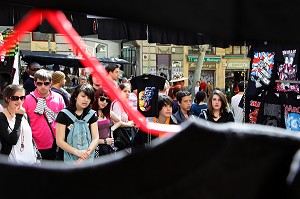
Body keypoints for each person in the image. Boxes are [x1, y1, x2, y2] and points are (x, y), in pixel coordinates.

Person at [22, 69, 66, 161]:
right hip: (33, 144)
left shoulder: (58, 98)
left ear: (51, 83)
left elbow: (63, 120)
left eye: (46, 83)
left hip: (54, 144)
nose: (43, 86)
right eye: (39, 83)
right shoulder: (27, 100)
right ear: (35, 83)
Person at [55, 83, 99, 164]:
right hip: (66, 160)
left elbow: (95, 138)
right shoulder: (63, 114)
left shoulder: (92, 114)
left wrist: (86, 154)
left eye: (89, 98)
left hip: (87, 158)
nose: (86, 100)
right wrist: (78, 153)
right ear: (75, 96)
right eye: (83, 96)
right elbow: (59, 141)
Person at [0, 84, 40, 165]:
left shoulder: (24, 115)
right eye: (15, 98)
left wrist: (38, 155)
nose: (19, 101)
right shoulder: (2, 117)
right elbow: (12, 140)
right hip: (14, 166)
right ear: (7, 99)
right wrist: (19, 117)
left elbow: (29, 136)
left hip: (32, 163)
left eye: (22, 98)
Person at [91, 88, 124, 157]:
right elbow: (89, 138)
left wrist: (111, 129)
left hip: (109, 148)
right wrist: (105, 141)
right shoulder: (90, 114)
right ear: (96, 98)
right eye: (102, 99)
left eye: (107, 100)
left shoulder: (108, 113)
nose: (104, 102)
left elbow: (119, 121)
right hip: (96, 149)